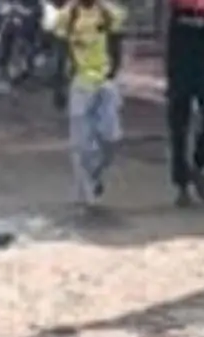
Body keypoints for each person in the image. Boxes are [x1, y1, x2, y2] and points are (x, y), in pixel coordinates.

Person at [55, 0, 125, 207]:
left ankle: (94, 175)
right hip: (80, 83)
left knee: (111, 139)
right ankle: (85, 192)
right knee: (81, 144)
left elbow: (117, 42)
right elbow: (61, 50)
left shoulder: (110, 13)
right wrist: (58, 84)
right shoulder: (68, 15)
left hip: (104, 82)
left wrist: (113, 71)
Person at [163, 0, 204, 205]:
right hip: (180, 64)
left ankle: (197, 166)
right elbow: (168, 26)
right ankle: (182, 186)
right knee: (179, 128)